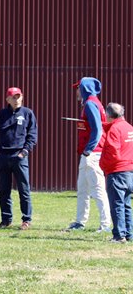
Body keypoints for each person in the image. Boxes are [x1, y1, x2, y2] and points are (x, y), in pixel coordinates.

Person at [64, 77, 111, 232]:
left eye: (78, 88)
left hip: (93, 153)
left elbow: (97, 130)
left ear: (85, 88)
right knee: (83, 189)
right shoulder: (92, 103)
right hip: (89, 154)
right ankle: (80, 221)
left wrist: (89, 149)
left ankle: (105, 224)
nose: (77, 91)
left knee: (97, 189)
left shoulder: (90, 103)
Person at [0, 86, 38, 230]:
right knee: (4, 190)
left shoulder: (27, 113)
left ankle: (26, 220)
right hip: (3, 156)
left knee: (24, 189)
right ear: (8, 99)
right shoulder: (1, 115)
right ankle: (6, 219)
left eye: (18, 96)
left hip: (19, 156)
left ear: (22, 97)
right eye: (13, 97)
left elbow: (32, 135)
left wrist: (24, 152)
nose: (16, 99)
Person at [100, 102, 133, 243]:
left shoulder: (115, 130)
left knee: (117, 204)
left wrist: (102, 165)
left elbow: (113, 153)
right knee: (126, 204)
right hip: (129, 171)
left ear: (108, 114)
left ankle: (119, 235)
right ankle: (129, 233)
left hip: (117, 171)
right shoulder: (129, 127)